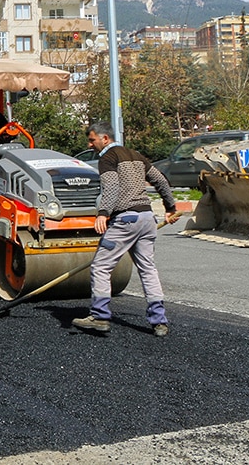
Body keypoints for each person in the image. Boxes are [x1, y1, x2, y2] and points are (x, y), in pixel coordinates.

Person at [72, 122, 181, 337]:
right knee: (148, 269)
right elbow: (160, 180)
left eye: (92, 139)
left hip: (126, 220)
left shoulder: (108, 158)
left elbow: (111, 187)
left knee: (101, 266)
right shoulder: (136, 155)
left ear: (105, 139)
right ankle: (159, 321)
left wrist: (103, 212)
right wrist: (170, 207)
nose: (90, 144)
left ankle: (99, 316)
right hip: (147, 219)